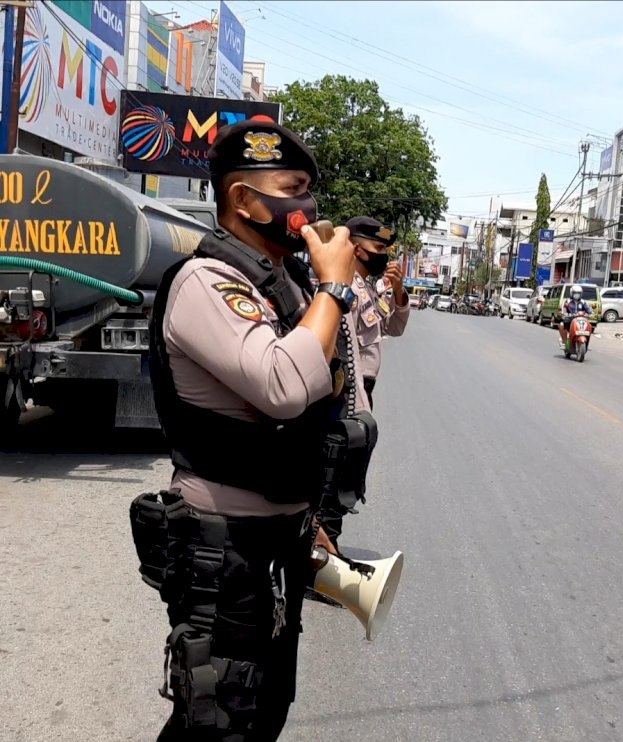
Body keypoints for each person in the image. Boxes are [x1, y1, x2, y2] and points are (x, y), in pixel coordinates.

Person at [132, 117, 375, 741]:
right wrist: (334, 288)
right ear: (243, 199)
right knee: (219, 718)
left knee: (267, 706)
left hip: (278, 535)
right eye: (292, 188)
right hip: (225, 544)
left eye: (309, 190)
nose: (307, 206)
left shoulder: (280, 286)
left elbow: (338, 388)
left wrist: (312, 509)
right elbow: (285, 387)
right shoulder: (207, 283)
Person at [345, 216, 410, 409]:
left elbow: (395, 327)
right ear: (357, 250)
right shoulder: (349, 290)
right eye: (378, 248)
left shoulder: (367, 289)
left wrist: (398, 289)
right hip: (351, 393)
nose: (384, 256)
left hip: (362, 391)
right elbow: (344, 352)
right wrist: (359, 407)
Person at [559, 284, 593, 350]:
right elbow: (564, 310)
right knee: (561, 325)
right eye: (575, 293)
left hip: (581, 320)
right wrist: (565, 314)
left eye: (578, 293)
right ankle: (564, 342)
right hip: (570, 320)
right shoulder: (568, 301)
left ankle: (587, 343)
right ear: (572, 293)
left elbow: (589, 310)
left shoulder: (583, 302)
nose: (577, 295)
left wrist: (590, 313)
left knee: (590, 326)